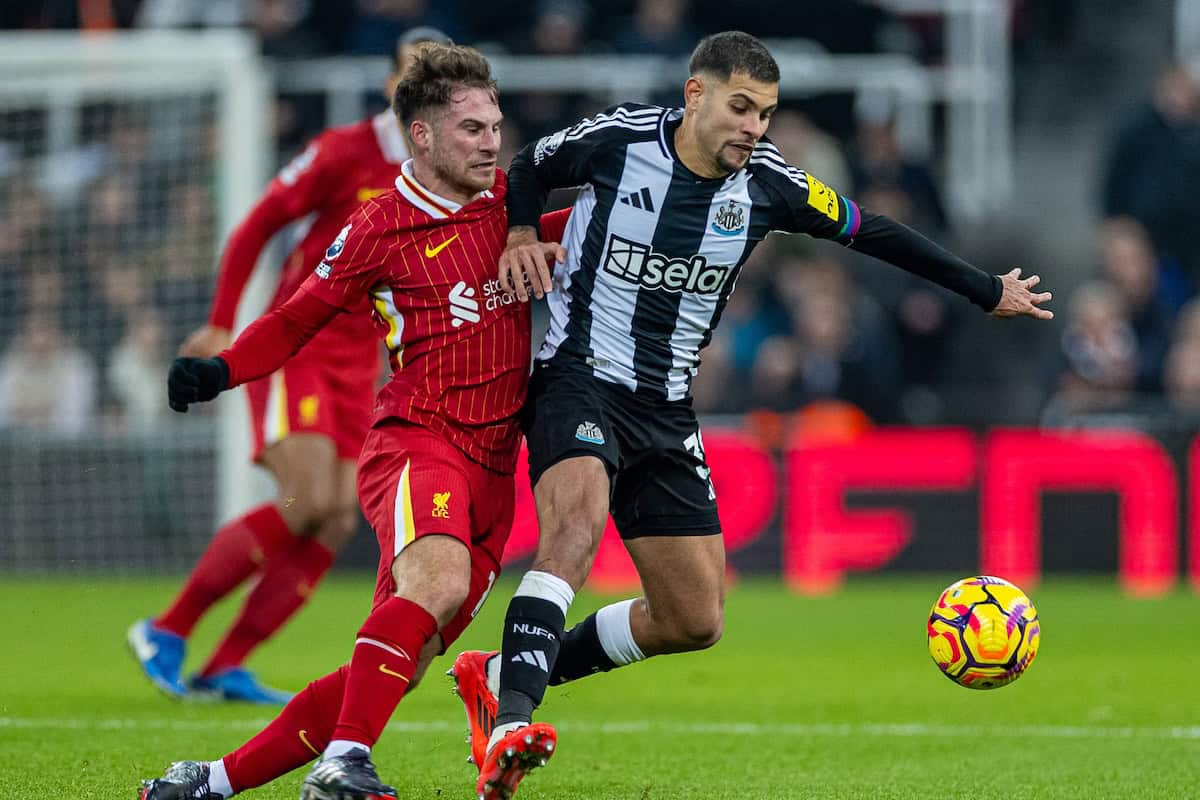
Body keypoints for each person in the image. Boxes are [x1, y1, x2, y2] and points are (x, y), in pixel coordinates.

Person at [450, 30, 1054, 800]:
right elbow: (531, 166)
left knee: (693, 617)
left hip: (665, 408)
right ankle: (509, 727)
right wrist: (522, 231)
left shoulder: (773, 185)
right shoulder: (620, 139)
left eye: (765, 114)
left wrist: (981, 288)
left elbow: (874, 232)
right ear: (696, 95)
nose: (754, 128)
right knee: (574, 529)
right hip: (580, 379)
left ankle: (502, 674)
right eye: (741, 108)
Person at [138, 43, 570, 800]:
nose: (492, 140)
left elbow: (605, 224)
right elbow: (295, 318)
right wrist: (220, 367)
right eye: (471, 128)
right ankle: (342, 765)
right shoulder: (378, 225)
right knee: (435, 581)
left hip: (496, 475)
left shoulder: (513, 210)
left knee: (387, 674)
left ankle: (206, 781)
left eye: (495, 124)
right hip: (419, 441)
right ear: (424, 134)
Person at [127, 27, 452, 705]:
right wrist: (221, 319)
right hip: (297, 347)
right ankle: (166, 628)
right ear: (393, 87)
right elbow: (259, 223)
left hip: (360, 360)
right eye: (416, 77)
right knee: (308, 496)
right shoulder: (343, 153)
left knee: (334, 518)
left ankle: (224, 665)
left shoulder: (441, 176)